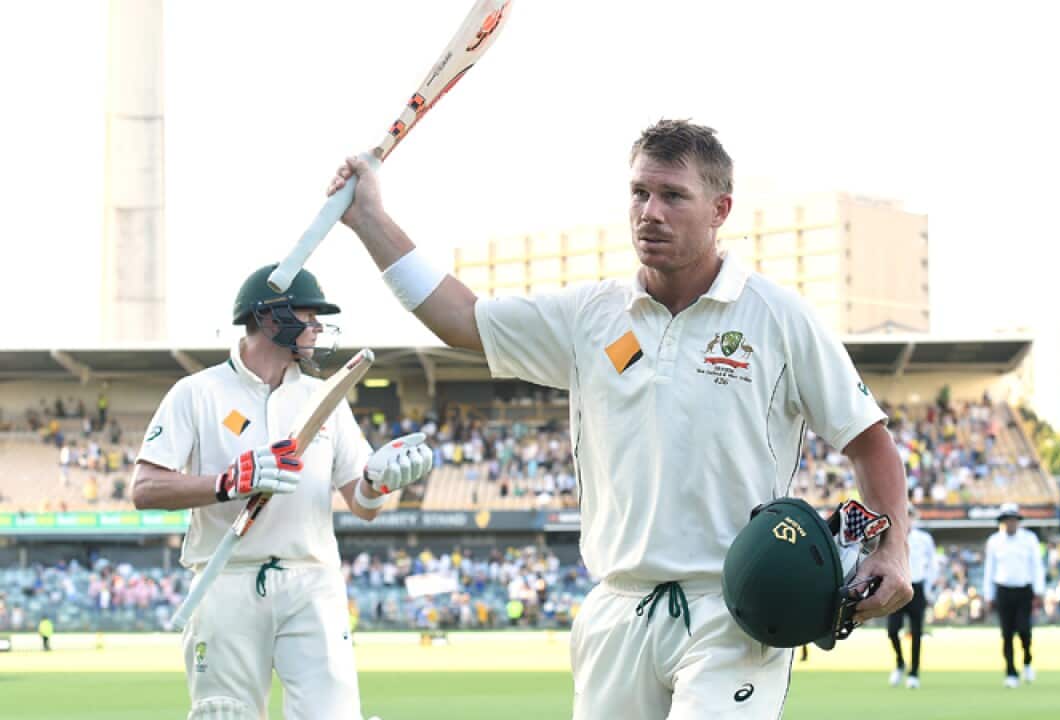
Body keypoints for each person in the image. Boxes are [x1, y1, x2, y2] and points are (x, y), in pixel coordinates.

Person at [328, 118, 911, 718]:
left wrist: (892, 552)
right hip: (616, 608)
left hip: (734, 607)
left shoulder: (779, 316)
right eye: (639, 193)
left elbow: (869, 442)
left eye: (673, 196)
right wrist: (369, 218)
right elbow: (461, 318)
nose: (649, 212)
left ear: (721, 209)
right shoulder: (591, 314)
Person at [130, 265, 432, 720]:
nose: (316, 330)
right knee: (224, 714)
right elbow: (145, 489)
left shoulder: (325, 397)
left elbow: (364, 505)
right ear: (271, 319)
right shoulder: (196, 393)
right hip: (225, 578)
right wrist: (226, 484)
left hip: (312, 581)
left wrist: (381, 480)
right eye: (309, 318)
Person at [982, 502, 1045, 688]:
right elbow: (990, 569)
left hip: (1024, 589)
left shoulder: (1029, 539)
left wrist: (1039, 590)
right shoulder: (994, 541)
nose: (1010, 524)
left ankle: (1027, 662)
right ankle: (1010, 671)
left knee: (1024, 630)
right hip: (1003, 589)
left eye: (1013, 520)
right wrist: (989, 595)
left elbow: (1036, 566)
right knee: (1006, 633)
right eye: (1007, 520)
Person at [888, 504, 937, 689]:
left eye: (909, 515)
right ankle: (900, 663)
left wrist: (928, 587)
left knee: (916, 632)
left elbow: (932, 564)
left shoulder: (924, 539)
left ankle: (914, 672)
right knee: (893, 631)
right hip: (897, 587)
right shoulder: (890, 537)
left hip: (917, 586)